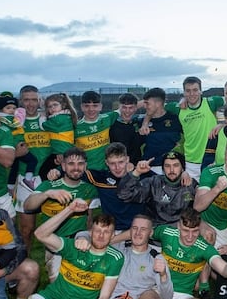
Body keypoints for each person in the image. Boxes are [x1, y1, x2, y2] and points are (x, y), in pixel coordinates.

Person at [23, 147, 99, 280]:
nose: (76, 168)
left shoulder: (90, 189)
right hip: (54, 242)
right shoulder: (49, 185)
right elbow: (28, 205)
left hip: (79, 241)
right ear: (63, 166)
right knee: (59, 283)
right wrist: (47, 194)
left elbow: (90, 219)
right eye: (71, 164)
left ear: (85, 166)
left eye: (80, 164)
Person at [14, 85, 51, 251]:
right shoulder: (14, 122)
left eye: (34, 100)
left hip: (50, 177)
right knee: (26, 229)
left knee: (55, 227)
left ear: (40, 101)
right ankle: (25, 266)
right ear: (20, 101)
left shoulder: (49, 119)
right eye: (26, 100)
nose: (30, 104)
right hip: (25, 179)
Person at [168, 77, 226, 181]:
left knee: (212, 194)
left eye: (195, 90)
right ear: (184, 93)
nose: (191, 94)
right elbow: (153, 105)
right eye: (188, 91)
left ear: (201, 91)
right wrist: (145, 123)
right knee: (190, 195)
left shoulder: (211, 102)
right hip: (191, 162)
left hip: (212, 159)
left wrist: (224, 124)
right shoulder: (178, 108)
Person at [118, 151, 196, 226]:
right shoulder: (153, 183)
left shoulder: (190, 184)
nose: (171, 170)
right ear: (162, 169)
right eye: (167, 166)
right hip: (155, 229)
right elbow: (124, 194)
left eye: (176, 165)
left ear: (182, 168)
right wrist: (137, 172)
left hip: (182, 230)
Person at [85, 142, 147, 232]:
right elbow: (73, 171)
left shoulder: (142, 175)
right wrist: (57, 172)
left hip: (138, 230)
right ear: (106, 162)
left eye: (121, 162)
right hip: (111, 231)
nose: (117, 167)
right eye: (112, 163)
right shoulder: (101, 178)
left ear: (127, 159)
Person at [0, 92, 38, 191]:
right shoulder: (6, 120)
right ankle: (28, 179)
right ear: (1, 109)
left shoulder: (5, 118)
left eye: (14, 108)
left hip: (14, 145)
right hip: (15, 145)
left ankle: (10, 185)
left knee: (15, 167)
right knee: (32, 160)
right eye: (8, 108)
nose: (12, 110)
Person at [140, 87, 183, 175]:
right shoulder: (140, 122)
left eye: (147, 103)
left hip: (172, 169)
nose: (145, 106)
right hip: (148, 168)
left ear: (158, 103)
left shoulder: (176, 119)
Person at [74, 90, 119, 172]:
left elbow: (129, 107)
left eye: (95, 105)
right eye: (87, 106)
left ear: (100, 106)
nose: (91, 109)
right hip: (86, 172)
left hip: (106, 170)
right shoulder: (75, 127)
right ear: (81, 107)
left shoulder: (107, 118)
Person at [39, 92, 78, 179]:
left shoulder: (58, 119)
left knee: (44, 171)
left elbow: (43, 126)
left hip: (61, 151)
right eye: (49, 106)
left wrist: (42, 115)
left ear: (63, 105)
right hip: (65, 151)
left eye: (55, 105)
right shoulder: (67, 116)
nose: (52, 108)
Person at [109, 92, 145, 164]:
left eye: (131, 107)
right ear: (119, 107)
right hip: (117, 167)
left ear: (135, 108)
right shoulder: (111, 124)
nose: (127, 111)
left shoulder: (139, 123)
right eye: (124, 107)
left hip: (137, 167)